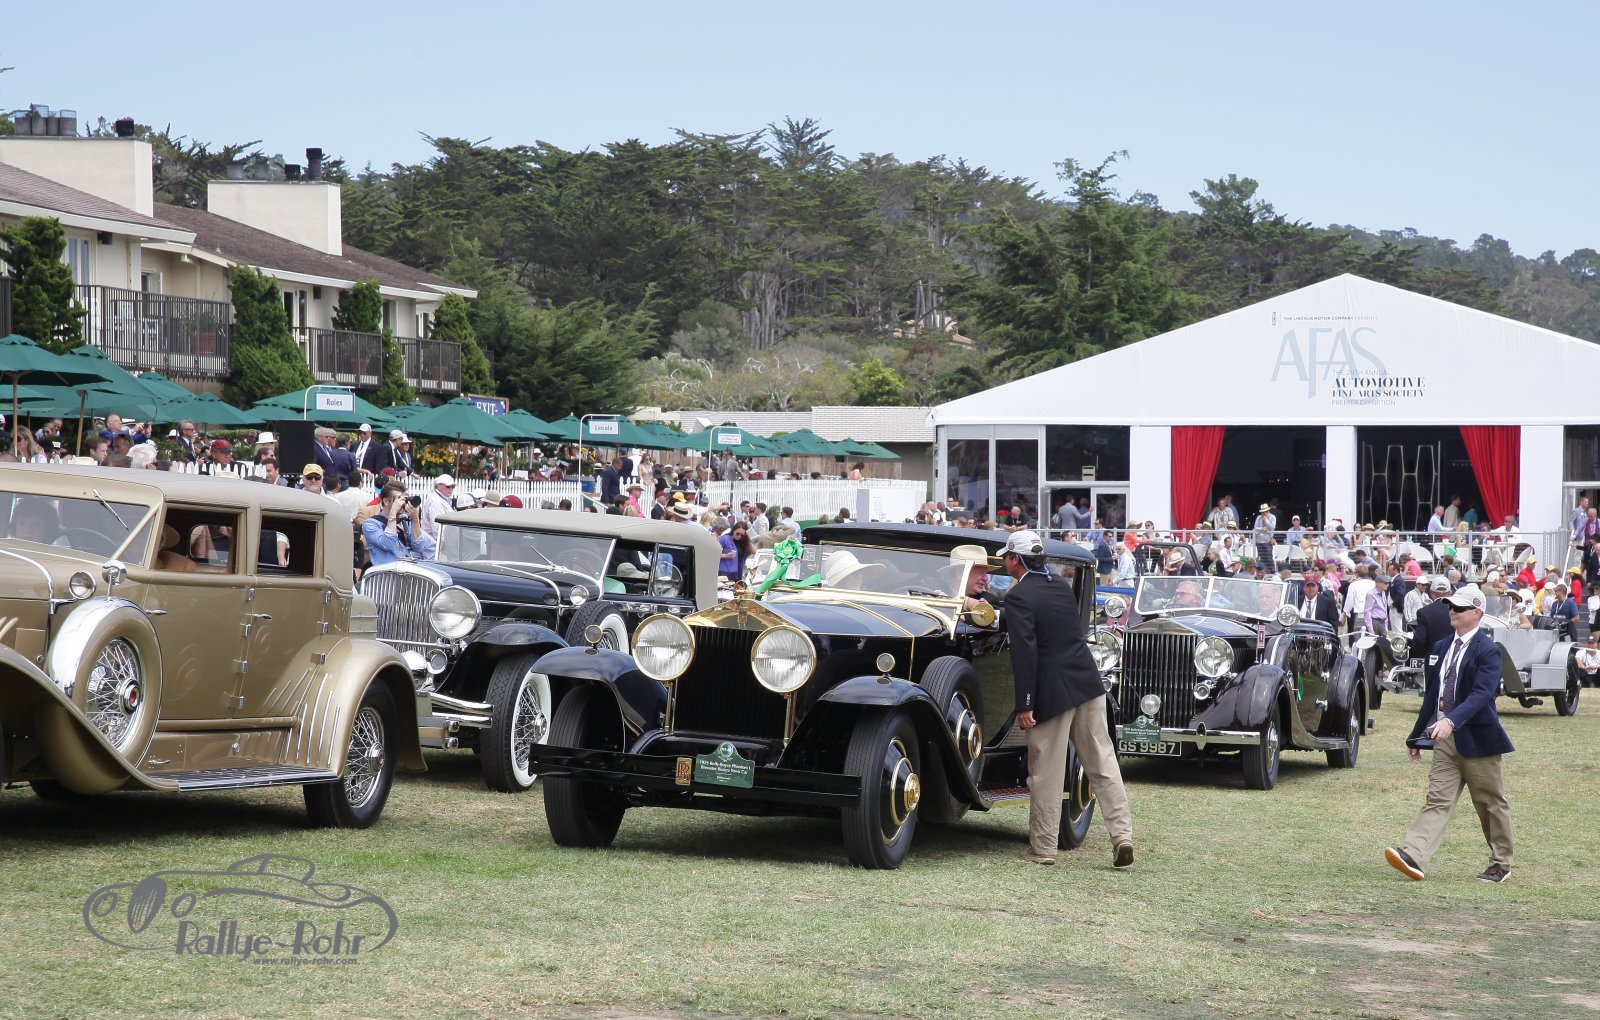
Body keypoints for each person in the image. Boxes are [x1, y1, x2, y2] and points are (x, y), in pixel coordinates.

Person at [999, 530, 1133, 868]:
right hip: (1086, 681)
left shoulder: (1018, 596)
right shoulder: (1059, 586)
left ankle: (1043, 848)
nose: (1004, 563)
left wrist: (1025, 703)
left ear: (1015, 560)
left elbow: (1025, 652)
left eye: (1007, 557)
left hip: (1051, 690)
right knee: (1103, 762)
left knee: (1046, 770)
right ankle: (1122, 836)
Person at [1385, 584, 1515, 884]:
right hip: (1444, 739)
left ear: (1477, 612)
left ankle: (1501, 863)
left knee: (1489, 803)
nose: (1452, 611)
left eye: (1459, 607)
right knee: (1437, 800)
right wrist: (1416, 736)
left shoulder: (1488, 650)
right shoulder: (1442, 646)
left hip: (1478, 740)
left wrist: (1452, 721)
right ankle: (1414, 856)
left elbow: (1481, 694)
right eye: (1450, 607)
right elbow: (1433, 694)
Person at [362, 488, 428, 565]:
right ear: (386, 501)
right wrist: (393, 513)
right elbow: (388, 544)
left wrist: (415, 519)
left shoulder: (403, 520)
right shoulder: (371, 524)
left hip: (405, 568)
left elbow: (418, 547)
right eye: (399, 499)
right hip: (386, 570)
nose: (402, 503)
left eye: (404, 499)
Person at [1410, 576, 1454, 662]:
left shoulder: (1424, 612)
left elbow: (1420, 640)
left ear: (1431, 592)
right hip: (1453, 658)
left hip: (1432, 658)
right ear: (1449, 592)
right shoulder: (1459, 610)